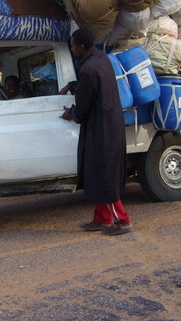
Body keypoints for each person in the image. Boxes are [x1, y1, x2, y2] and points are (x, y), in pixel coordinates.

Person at [60, 29, 132, 236]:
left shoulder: (89, 69)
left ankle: (122, 220)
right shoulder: (100, 58)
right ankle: (102, 218)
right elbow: (90, 87)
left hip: (101, 129)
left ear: (81, 47)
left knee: (103, 176)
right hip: (110, 124)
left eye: (73, 45)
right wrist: (72, 86)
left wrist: (70, 113)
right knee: (99, 173)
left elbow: (83, 107)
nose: (72, 49)